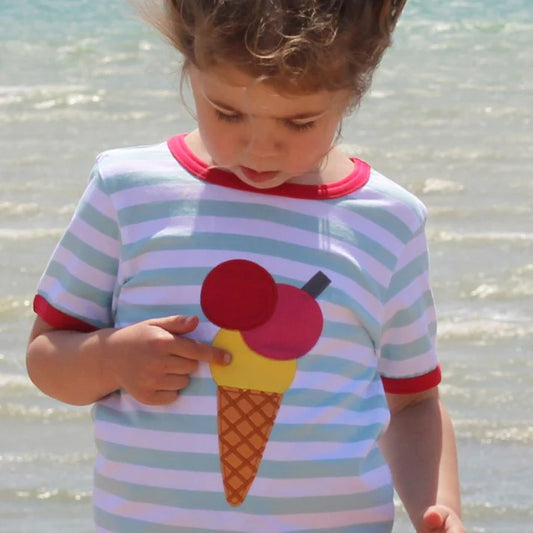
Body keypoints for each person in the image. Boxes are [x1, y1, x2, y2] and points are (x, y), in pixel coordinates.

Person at [26, 1, 466, 532]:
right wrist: (112, 361)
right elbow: (47, 357)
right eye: (227, 113)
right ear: (190, 64)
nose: (260, 149)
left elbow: (413, 402)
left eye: (299, 122)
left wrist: (439, 509)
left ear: (352, 91)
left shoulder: (389, 220)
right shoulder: (127, 190)